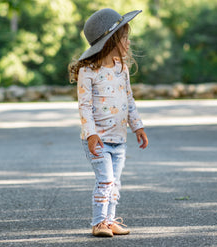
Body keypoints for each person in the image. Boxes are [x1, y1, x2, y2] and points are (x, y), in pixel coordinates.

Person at [69, 8, 148, 237]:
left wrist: (138, 126)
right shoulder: (88, 71)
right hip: (98, 139)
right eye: (124, 37)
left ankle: (110, 220)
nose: (128, 41)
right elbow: (84, 106)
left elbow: (129, 100)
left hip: (119, 139)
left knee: (116, 184)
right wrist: (91, 133)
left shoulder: (121, 68)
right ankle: (98, 223)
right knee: (106, 180)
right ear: (111, 40)